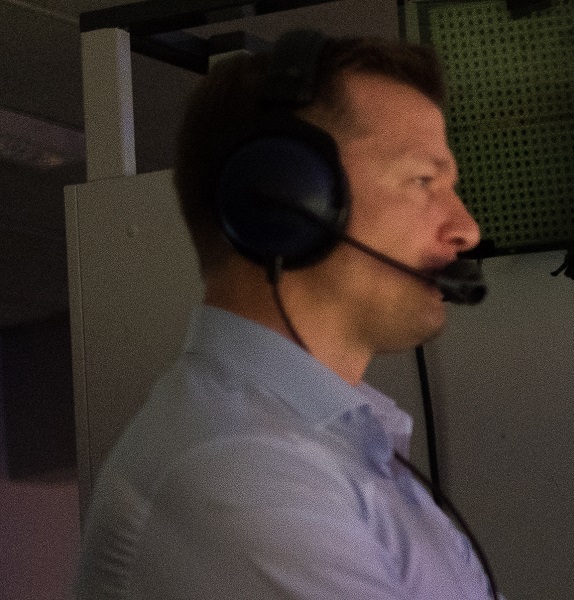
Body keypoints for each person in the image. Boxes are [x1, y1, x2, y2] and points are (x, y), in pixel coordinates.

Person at [74, 31, 497, 599]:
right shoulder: (243, 467)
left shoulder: (334, 453)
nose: (467, 229)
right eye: (423, 181)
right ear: (285, 195)